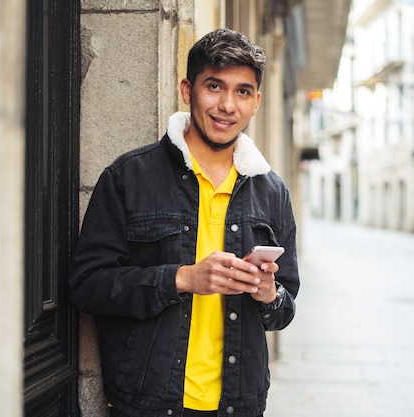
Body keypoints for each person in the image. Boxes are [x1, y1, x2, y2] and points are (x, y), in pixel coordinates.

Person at [69, 28, 300, 417]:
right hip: (149, 405)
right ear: (187, 89)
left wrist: (267, 294)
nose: (227, 105)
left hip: (239, 405)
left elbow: (285, 308)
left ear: (256, 101)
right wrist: (181, 279)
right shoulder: (129, 177)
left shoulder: (272, 192)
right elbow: (87, 286)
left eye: (242, 91)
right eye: (214, 86)